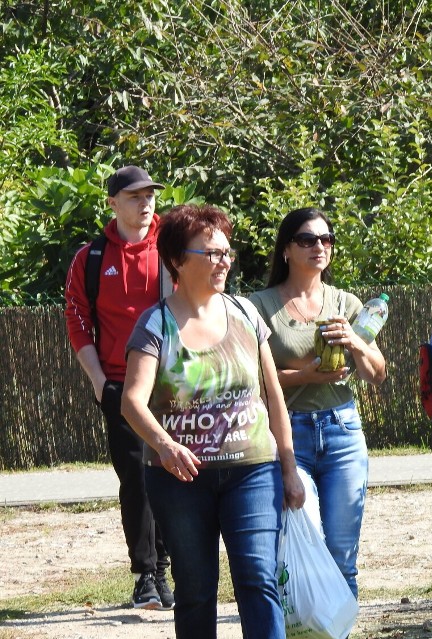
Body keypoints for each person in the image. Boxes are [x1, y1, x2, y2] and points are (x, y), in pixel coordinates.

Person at [121, 204, 306, 638]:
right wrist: (165, 445)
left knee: (259, 580)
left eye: (226, 252)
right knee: (196, 589)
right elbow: (132, 401)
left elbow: (273, 393)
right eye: (211, 253)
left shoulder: (245, 313)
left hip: (253, 471)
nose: (223, 262)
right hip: (179, 479)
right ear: (177, 261)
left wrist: (289, 466)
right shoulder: (155, 325)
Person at [249, 207, 387, 598]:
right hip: (286, 434)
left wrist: (355, 341)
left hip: (343, 431)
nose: (319, 247)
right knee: (299, 545)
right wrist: (306, 376)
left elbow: (377, 374)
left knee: (343, 555)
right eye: (307, 240)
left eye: (326, 240)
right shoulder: (258, 306)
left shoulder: (345, 303)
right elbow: (252, 383)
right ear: (287, 250)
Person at [64, 164, 174, 610]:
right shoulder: (90, 258)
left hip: (174, 383)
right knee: (136, 480)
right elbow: (77, 319)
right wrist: (98, 382)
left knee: (177, 472)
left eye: (150, 195)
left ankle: (171, 569)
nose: (145, 203)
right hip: (118, 385)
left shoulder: (174, 247)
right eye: (134, 196)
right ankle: (146, 575)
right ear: (113, 202)